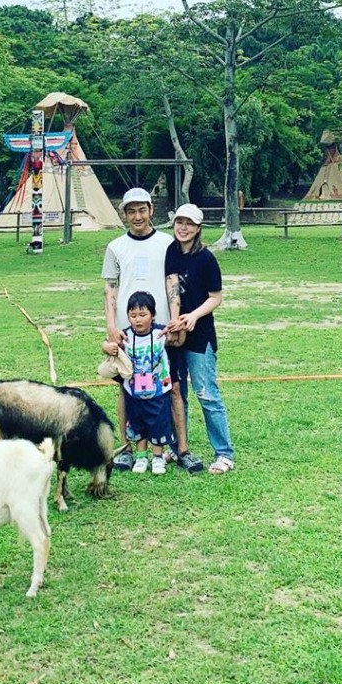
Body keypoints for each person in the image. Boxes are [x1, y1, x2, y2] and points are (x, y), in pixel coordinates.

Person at [102, 187, 204, 473]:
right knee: (126, 388)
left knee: (172, 388)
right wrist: (111, 326)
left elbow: (172, 283)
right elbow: (110, 288)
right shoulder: (115, 247)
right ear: (125, 214)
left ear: (151, 210)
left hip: (161, 332)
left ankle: (181, 448)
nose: (137, 216)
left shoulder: (166, 243)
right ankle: (127, 448)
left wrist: (175, 321)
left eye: (142, 210)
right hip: (127, 332)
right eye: (131, 211)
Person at [165, 203, 236, 474]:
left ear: (198, 228)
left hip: (201, 337)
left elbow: (216, 297)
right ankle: (177, 446)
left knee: (206, 393)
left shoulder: (206, 259)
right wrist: (176, 322)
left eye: (189, 224)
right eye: (179, 222)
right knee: (176, 392)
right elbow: (172, 285)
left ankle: (224, 453)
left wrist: (193, 316)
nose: (183, 228)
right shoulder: (171, 252)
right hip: (176, 334)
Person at [102, 292, 173, 474]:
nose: (138, 320)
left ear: (153, 315)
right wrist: (106, 347)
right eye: (133, 316)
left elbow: (178, 340)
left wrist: (178, 326)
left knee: (158, 423)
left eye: (143, 315)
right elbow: (107, 344)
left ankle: (157, 457)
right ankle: (141, 457)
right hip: (133, 391)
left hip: (158, 391)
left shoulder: (161, 333)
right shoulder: (124, 336)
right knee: (137, 423)